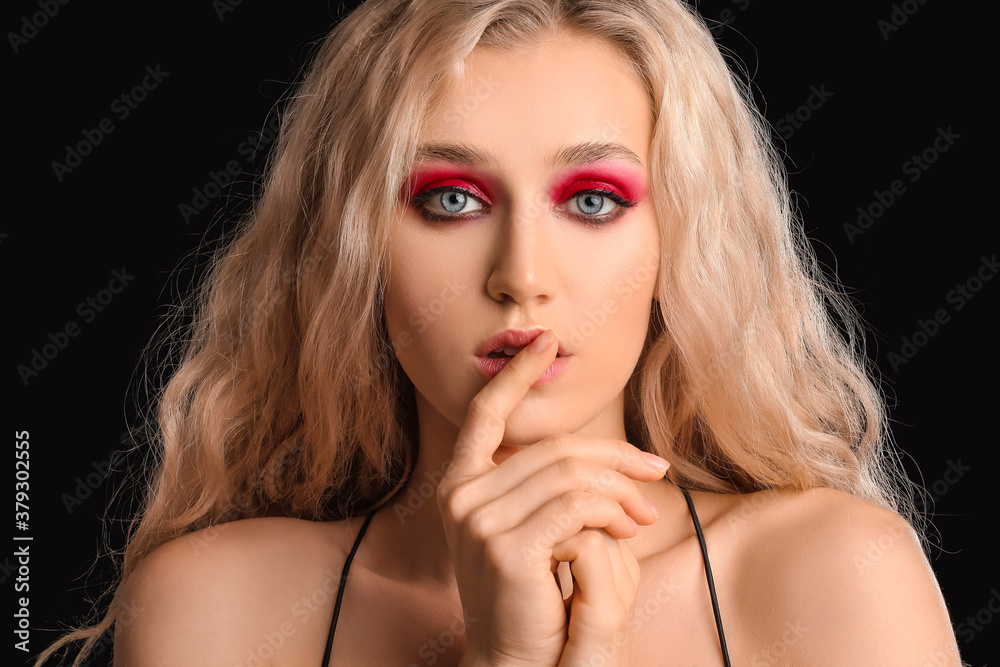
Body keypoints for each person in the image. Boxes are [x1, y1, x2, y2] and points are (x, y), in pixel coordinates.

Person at [36, 0, 963, 665]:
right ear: (355, 248)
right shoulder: (216, 604)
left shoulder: (832, 575)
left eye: (593, 200)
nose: (521, 274)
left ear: (678, 243)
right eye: (450, 199)